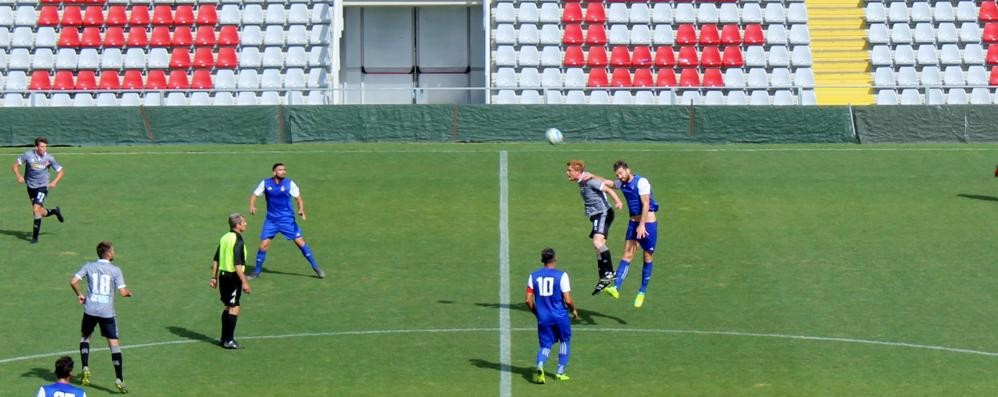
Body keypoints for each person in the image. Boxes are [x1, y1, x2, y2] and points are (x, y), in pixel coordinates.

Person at [70, 241, 132, 394]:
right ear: (109, 254)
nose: (114, 253)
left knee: (85, 337)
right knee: (114, 344)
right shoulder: (115, 270)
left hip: (90, 310)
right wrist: (128, 293)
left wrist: (80, 295)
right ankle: (119, 378)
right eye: (113, 251)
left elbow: (73, 281)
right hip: (107, 313)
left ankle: (85, 366)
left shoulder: (89, 266)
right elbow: (123, 292)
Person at [247, 163, 325, 279]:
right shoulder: (265, 183)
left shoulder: (290, 183)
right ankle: (257, 271)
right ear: (274, 172)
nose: (283, 171)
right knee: (263, 246)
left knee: (300, 243)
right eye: (280, 170)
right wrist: (252, 205)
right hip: (271, 221)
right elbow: (255, 195)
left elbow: (298, 199)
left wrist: (301, 210)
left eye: (284, 170)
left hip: (287, 220)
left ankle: (316, 267)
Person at [601, 160, 660, 308]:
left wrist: (642, 225)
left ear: (628, 170)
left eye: (621, 173)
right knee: (627, 255)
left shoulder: (642, 182)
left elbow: (646, 204)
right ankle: (616, 287)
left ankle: (642, 291)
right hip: (634, 223)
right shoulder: (622, 183)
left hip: (648, 224)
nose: (619, 177)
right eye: (617, 175)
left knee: (647, 256)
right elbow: (609, 183)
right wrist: (588, 176)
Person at [565, 160, 623, 297]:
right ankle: (603, 276)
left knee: (598, 242)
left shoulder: (588, 180)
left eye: (569, 171)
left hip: (603, 213)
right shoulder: (581, 180)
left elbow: (607, 189)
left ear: (577, 172)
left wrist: (618, 201)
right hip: (597, 215)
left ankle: (609, 272)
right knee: (597, 246)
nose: (567, 173)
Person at [526, 248, 579, 384]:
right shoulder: (562, 276)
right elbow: (567, 300)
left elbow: (528, 300)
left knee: (545, 345)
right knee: (564, 340)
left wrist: (536, 313)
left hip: (543, 317)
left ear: (542, 261)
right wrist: (573, 310)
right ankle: (560, 372)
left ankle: (540, 365)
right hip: (560, 316)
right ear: (554, 260)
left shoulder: (533, 276)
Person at [210, 213, 252, 349]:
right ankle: (229, 340)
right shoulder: (237, 240)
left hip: (223, 276)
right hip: (233, 277)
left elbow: (216, 259)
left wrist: (214, 277)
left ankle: (224, 338)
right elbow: (237, 265)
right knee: (235, 307)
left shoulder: (224, 238)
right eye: (243, 222)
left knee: (228, 306)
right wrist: (245, 282)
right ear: (237, 225)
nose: (245, 224)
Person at [11, 137, 64, 244]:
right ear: (36, 147)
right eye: (42, 146)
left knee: (35, 210)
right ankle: (54, 211)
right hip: (30, 187)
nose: (44, 148)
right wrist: (18, 176)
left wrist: (54, 182)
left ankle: (35, 238)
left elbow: (61, 172)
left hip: (42, 186)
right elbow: (15, 165)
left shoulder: (50, 158)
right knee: (40, 212)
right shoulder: (28, 155)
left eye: (45, 146)